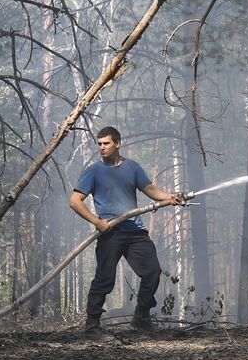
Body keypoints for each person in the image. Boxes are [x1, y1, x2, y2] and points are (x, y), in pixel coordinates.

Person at [69, 127, 184, 338]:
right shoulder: (93, 171)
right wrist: (97, 222)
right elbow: (75, 202)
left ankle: (141, 317)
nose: (102, 148)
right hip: (110, 232)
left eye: (106, 143)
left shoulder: (132, 167)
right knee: (105, 278)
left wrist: (171, 196)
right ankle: (92, 325)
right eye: (99, 144)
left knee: (152, 271)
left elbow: (151, 190)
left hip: (135, 231)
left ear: (118, 143)